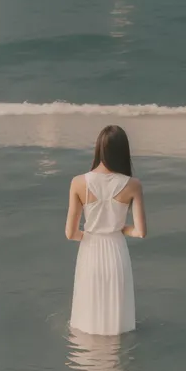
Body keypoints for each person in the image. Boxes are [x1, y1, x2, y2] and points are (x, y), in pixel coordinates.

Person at [65, 125, 147, 335]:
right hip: (116, 251)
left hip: (90, 251)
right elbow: (140, 231)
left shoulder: (78, 183)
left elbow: (71, 233)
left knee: (87, 322)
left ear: (98, 149)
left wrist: (91, 235)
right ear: (123, 152)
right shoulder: (133, 185)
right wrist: (119, 229)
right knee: (117, 325)